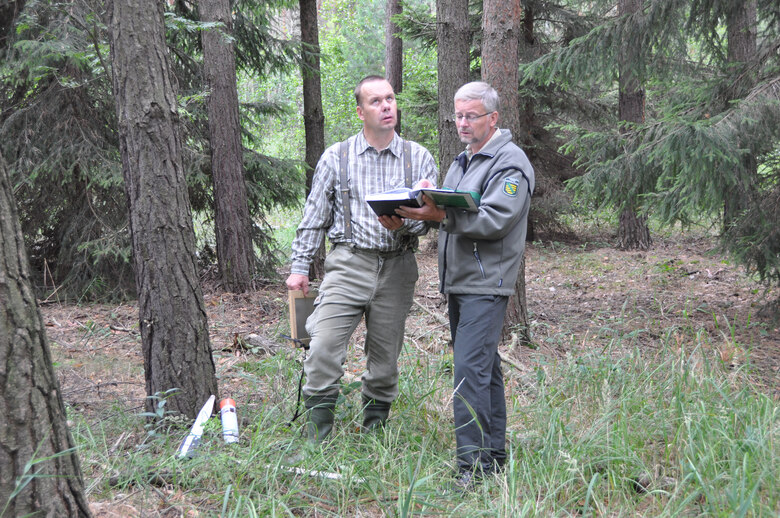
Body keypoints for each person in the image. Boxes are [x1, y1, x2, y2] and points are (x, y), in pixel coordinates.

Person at [397, 81, 534, 490]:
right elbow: (448, 212)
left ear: (493, 118)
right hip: (460, 282)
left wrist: (440, 217)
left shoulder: (510, 163)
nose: (462, 123)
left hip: (486, 283)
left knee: (467, 376)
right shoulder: (463, 160)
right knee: (484, 372)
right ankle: (493, 460)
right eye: (458, 115)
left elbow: (494, 221)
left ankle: (470, 472)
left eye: (471, 115)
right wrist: (414, 213)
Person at [286, 75, 438, 443]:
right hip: (348, 264)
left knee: (384, 363)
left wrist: (407, 224)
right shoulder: (336, 157)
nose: (386, 106)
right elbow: (314, 218)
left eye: (390, 99)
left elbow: (431, 221)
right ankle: (317, 440)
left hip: (398, 266)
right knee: (321, 347)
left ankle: (374, 436)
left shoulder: (418, 158)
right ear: (360, 111)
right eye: (376, 101)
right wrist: (299, 268)